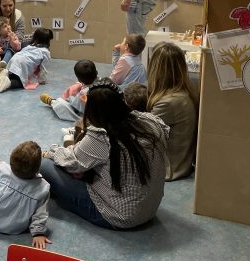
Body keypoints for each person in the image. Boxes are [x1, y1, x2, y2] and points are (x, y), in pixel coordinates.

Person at [40, 78, 169, 230]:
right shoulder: (151, 120)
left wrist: (50, 152)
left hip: (119, 216)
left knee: (44, 165)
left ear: (92, 111)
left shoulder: (101, 136)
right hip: (150, 209)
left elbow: (72, 162)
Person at [146, 42, 199, 181]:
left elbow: (142, 133)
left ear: (156, 69)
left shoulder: (169, 102)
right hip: (180, 163)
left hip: (168, 168)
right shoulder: (184, 92)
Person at [0, 27, 52, 93]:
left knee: (14, 74)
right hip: (23, 63)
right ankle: (9, 83)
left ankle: (6, 73)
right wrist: (42, 80)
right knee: (21, 82)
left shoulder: (29, 46)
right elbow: (43, 69)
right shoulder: (45, 52)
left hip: (15, 58)